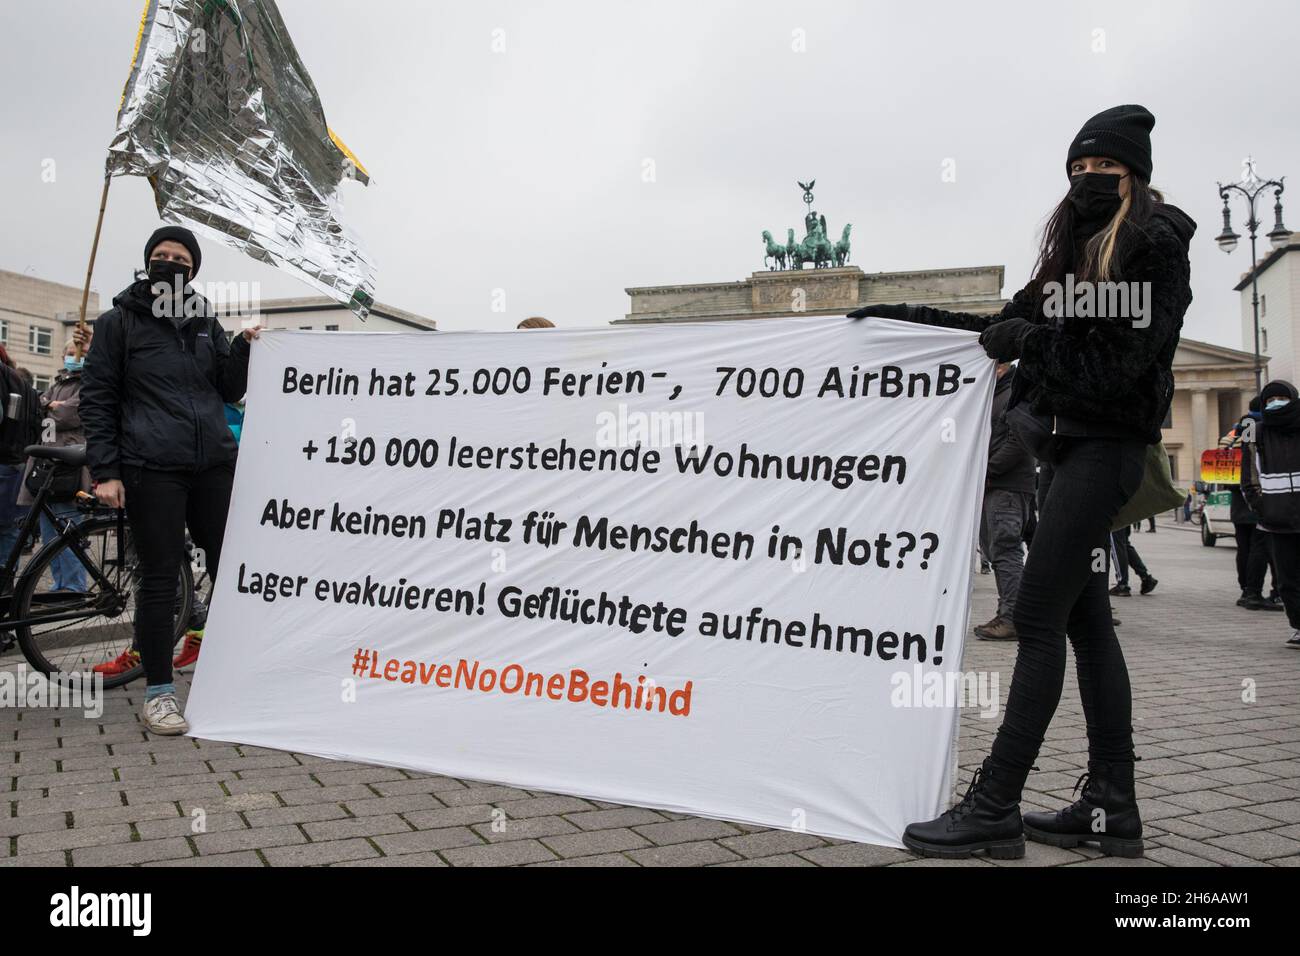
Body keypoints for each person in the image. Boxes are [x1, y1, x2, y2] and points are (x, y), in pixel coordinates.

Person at [852, 105, 1194, 858]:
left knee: (1036, 622)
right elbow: (993, 326)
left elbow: (1115, 369)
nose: (1087, 181)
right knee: (1087, 626)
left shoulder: (1153, 247)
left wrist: (1029, 341)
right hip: (1070, 449)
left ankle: (995, 803)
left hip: (1107, 448)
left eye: (1102, 169)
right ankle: (1111, 806)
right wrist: (901, 321)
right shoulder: (1074, 261)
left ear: (1133, 174)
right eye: (1076, 170)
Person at [80, 225, 260, 734]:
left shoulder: (206, 322)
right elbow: (98, 398)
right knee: (160, 578)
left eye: (180, 257)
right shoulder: (118, 324)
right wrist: (107, 471)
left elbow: (228, 387)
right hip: (150, 467)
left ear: (193, 269)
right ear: (147, 264)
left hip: (212, 465)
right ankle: (159, 692)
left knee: (233, 571)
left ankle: (239, 675)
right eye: (160, 255)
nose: (170, 262)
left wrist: (244, 347)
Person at [17, 337, 95, 592]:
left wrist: (49, 406)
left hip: (69, 467)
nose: (74, 356)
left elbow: (68, 414)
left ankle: (74, 586)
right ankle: (60, 583)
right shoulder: (58, 383)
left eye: (79, 352)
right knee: (50, 534)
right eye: (70, 352)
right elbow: (38, 407)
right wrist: (50, 405)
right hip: (45, 466)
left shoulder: (88, 384)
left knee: (69, 529)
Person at [975, 361, 1034, 641]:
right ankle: (1008, 613)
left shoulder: (1014, 392)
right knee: (997, 551)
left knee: (1006, 550)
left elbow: (1019, 441)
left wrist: (987, 471)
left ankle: (1013, 618)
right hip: (996, 485)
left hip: (1006, 486)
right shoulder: (995, 393)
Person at [1240, 380, 1300, 649]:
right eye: (1271, 398)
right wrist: (1262, 508)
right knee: (1287, 580)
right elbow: (1249, 478)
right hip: (1277, 521)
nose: (1277, 402)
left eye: (1282, 397)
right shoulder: (1257, 433)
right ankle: (1298, 626)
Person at [0, 346, 41, 565]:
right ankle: (7, 590)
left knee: (7, 530)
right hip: (16, 462)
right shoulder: (18, 381)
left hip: (4, 461)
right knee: (9, 530)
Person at [1109, 525, 1157, 596]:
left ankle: (1122, 585)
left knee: (1117, 547)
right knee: (1124, 544)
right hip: (1124, 516)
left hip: (1113, 518)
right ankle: (1146, 578)